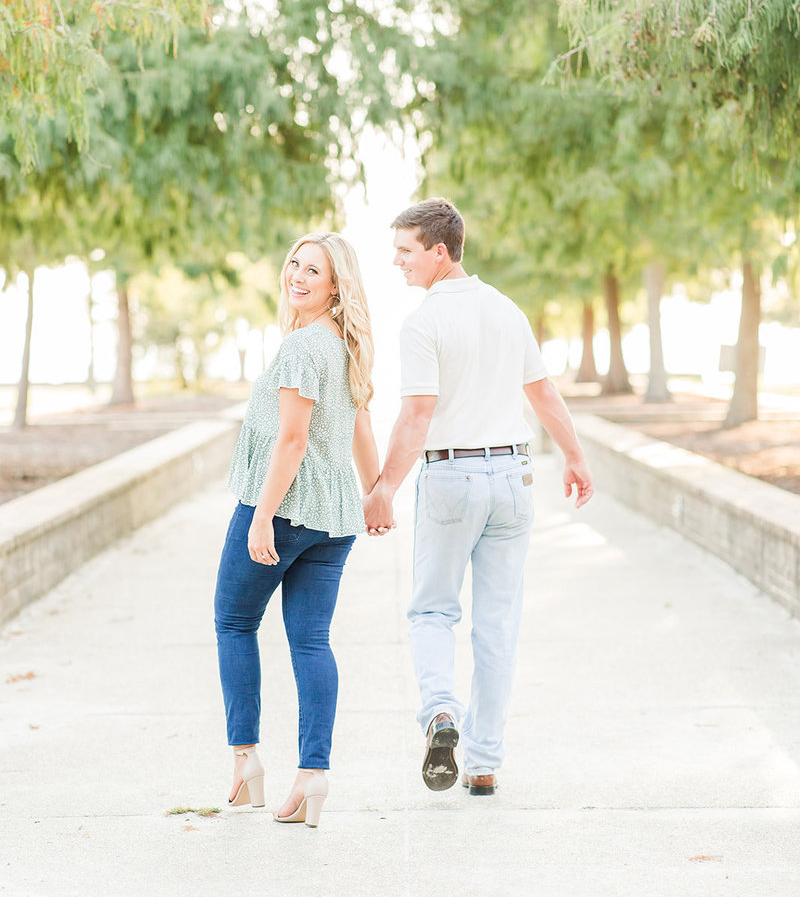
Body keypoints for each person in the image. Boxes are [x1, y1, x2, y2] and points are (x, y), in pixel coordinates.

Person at [363, 197, 594, 797]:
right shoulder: (506, 310)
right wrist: (574, 456)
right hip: (513, 479)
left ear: (440, 251)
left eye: (405, 251)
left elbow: (416, 416)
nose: (396, 262)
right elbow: (542, 394)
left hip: (450, 480)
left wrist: (385, 486)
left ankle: (442, 712)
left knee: (433, 609)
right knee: (497, 625)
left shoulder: (423, 323)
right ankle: (485, 762)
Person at [214, 232, 379, 827]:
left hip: (283, 510)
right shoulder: (349, 345)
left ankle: (245, 761)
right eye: (294, 264)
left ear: (336, 286)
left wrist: (261, 513)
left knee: (234, 622)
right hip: (334, 521)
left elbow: (293, 439)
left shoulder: (302, 348)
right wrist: (377, 491)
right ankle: (313, 775)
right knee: (311, 641)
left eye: (315, 271)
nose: (298, 276)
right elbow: (360, 431)